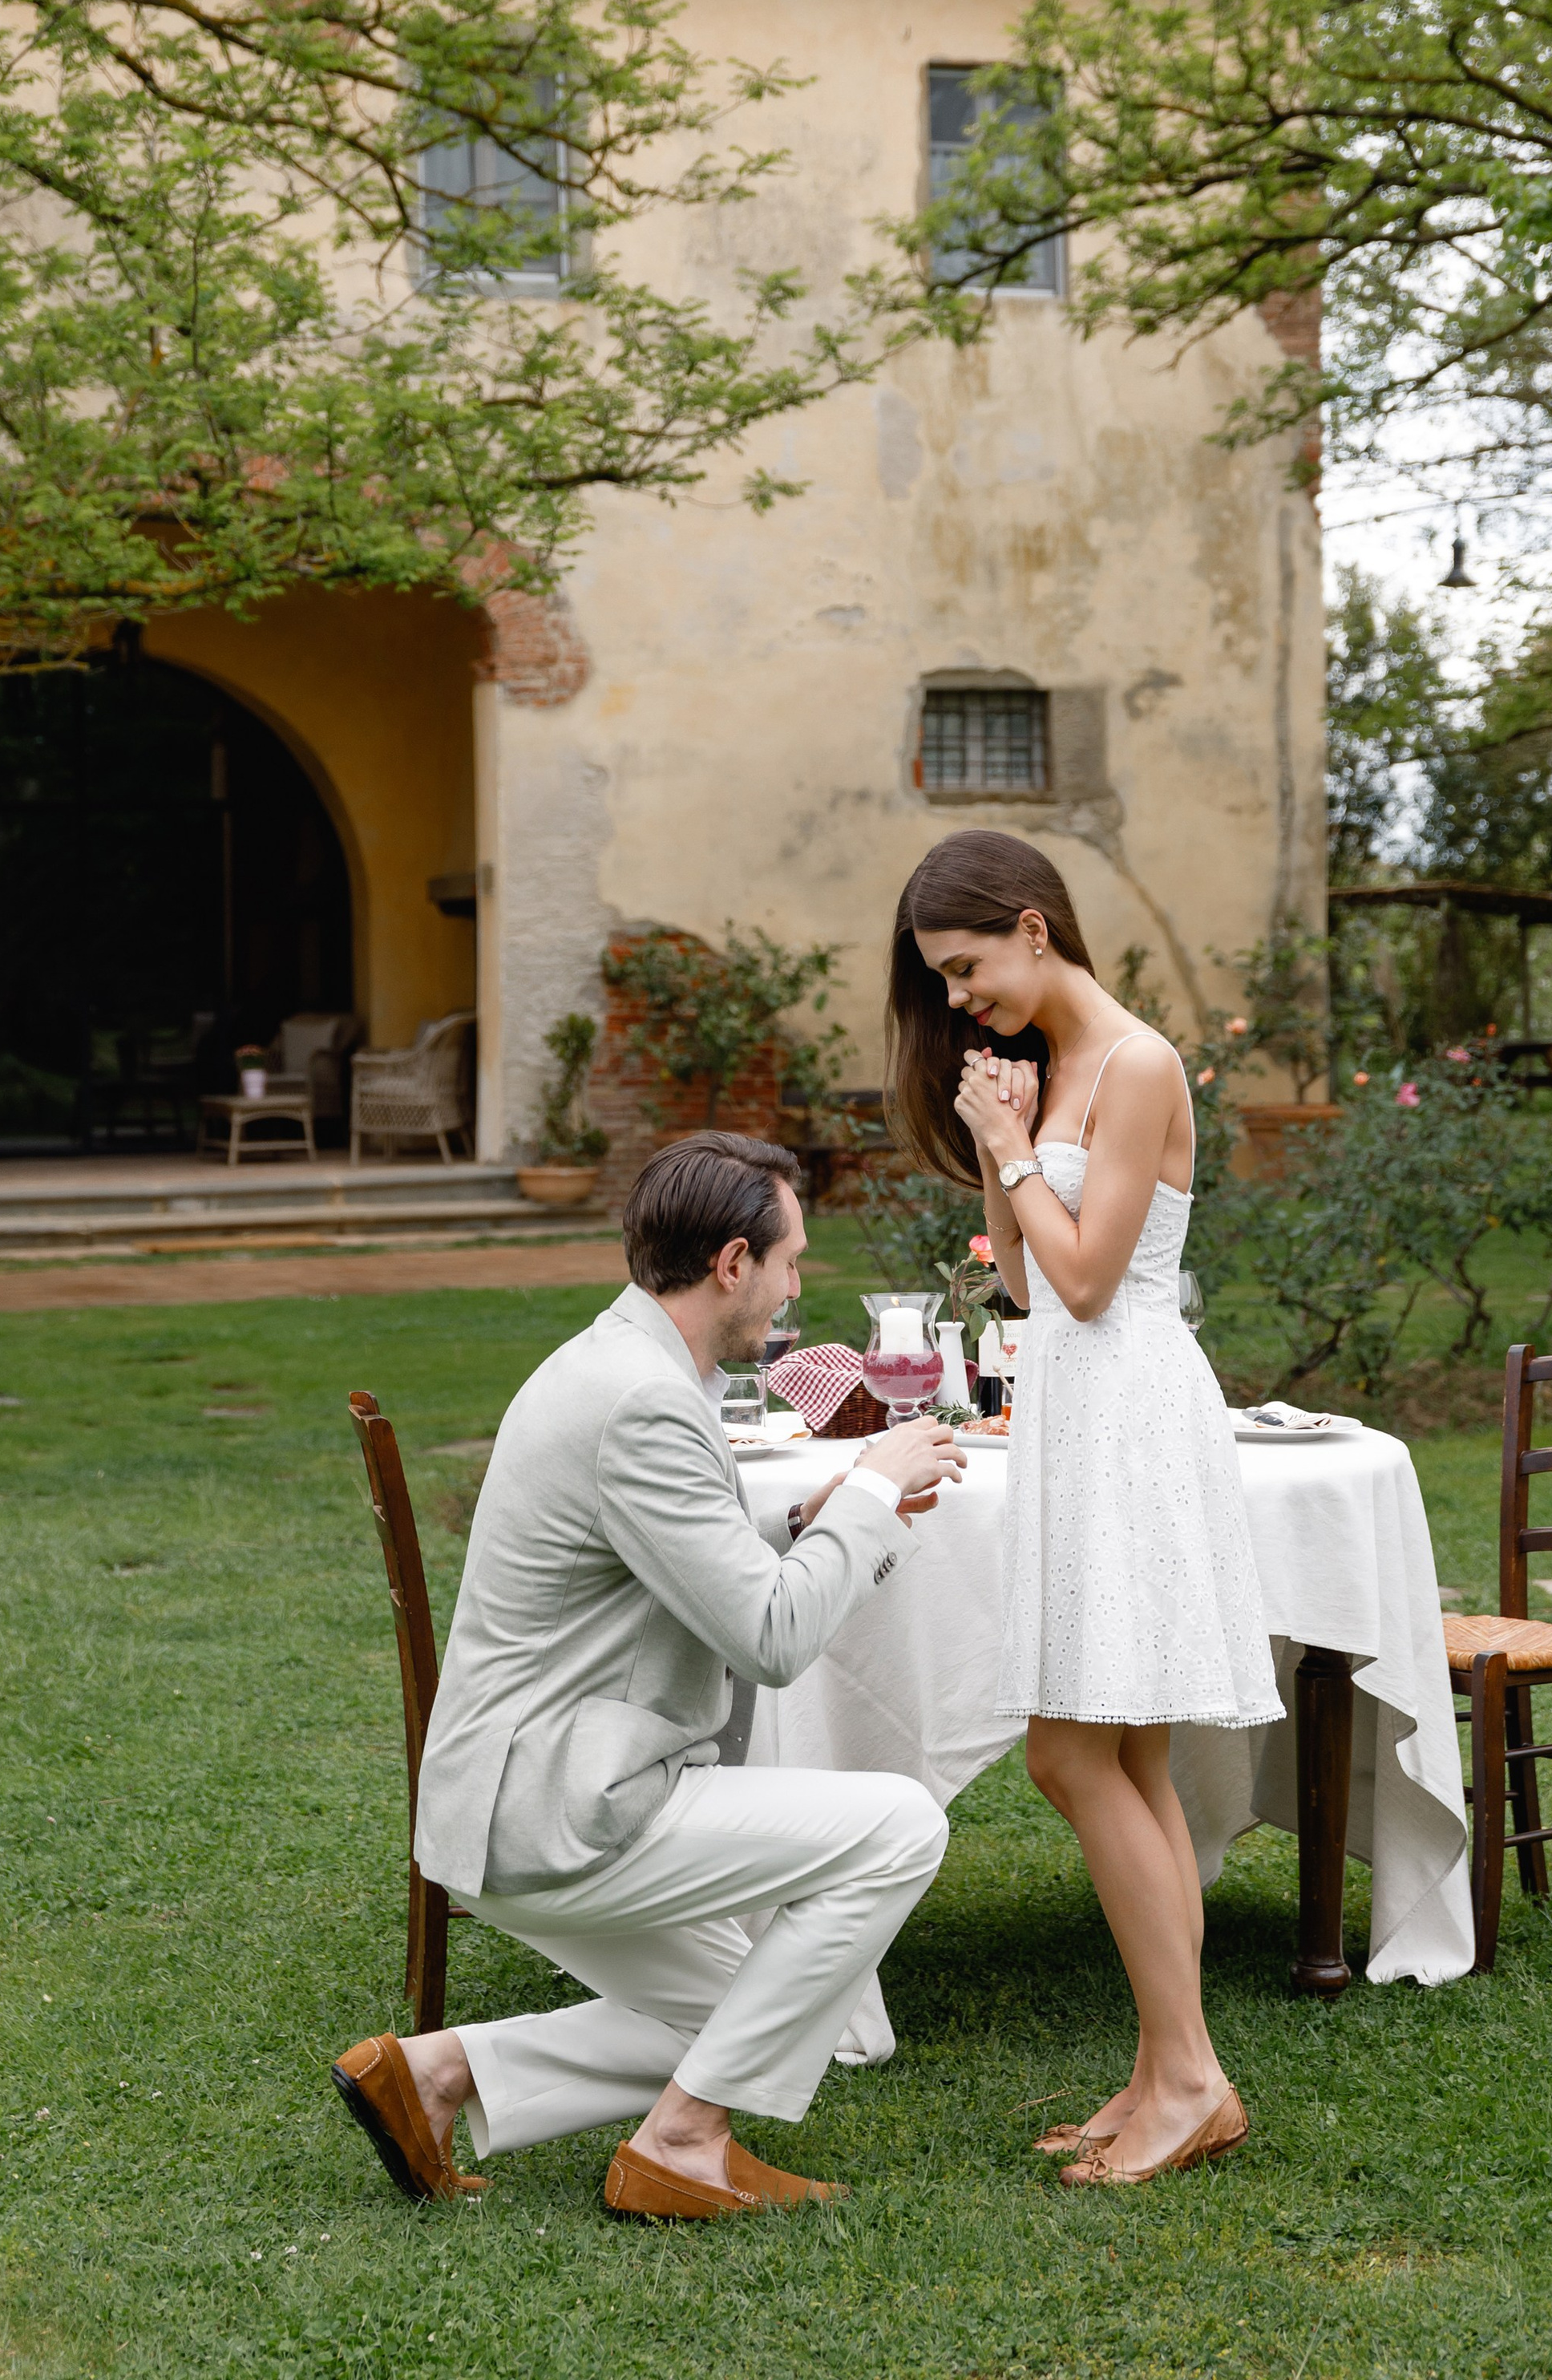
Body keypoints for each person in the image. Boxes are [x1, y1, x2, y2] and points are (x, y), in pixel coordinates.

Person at [332, 1129, 964, 2221]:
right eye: (791, 1262)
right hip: (554, 1807)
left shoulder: (625, 1364)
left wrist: (805, 1517)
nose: (795, 1285)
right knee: (902, 1825)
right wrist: (866, 1492)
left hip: (532, 1790)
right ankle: (682, 2143)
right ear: (732, 1265)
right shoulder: (645, 1400)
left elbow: (663, 1548)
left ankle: (438, 2077)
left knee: (829, 2020)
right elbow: (769, 1638)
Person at [888, 830, 1281, 2188]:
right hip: (1077, 1406)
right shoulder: (1061, 1073)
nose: (956, 999)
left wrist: (1002, 1143)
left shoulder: (1140, 1063)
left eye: (966, 966)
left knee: (1071, 1757)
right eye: (942, 979)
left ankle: (1189, 2079)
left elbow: (1097, 1280)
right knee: (1127, 1763)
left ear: (1034, 927)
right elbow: (1026, 1290)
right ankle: (1169, 2075)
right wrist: (1006, 1146)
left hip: (1128, 1413)